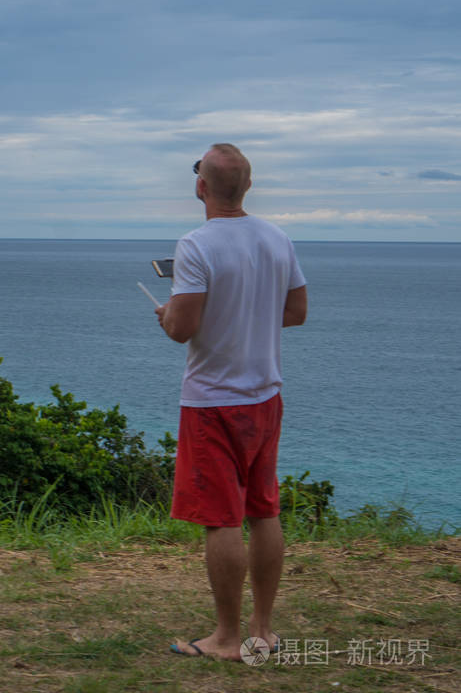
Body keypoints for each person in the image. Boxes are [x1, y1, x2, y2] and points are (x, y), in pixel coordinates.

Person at [155, 143, 307, 661]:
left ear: (201, 187)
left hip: (212, 402)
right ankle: (262, 632)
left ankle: (225, 638)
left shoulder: (196, 245)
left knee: (221, 518)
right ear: (247, 185)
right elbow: (296, 311)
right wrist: (251, 317)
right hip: (266, 395)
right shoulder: (277, 238)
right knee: (264, 511)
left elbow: (183, 328)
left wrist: (168, 317)